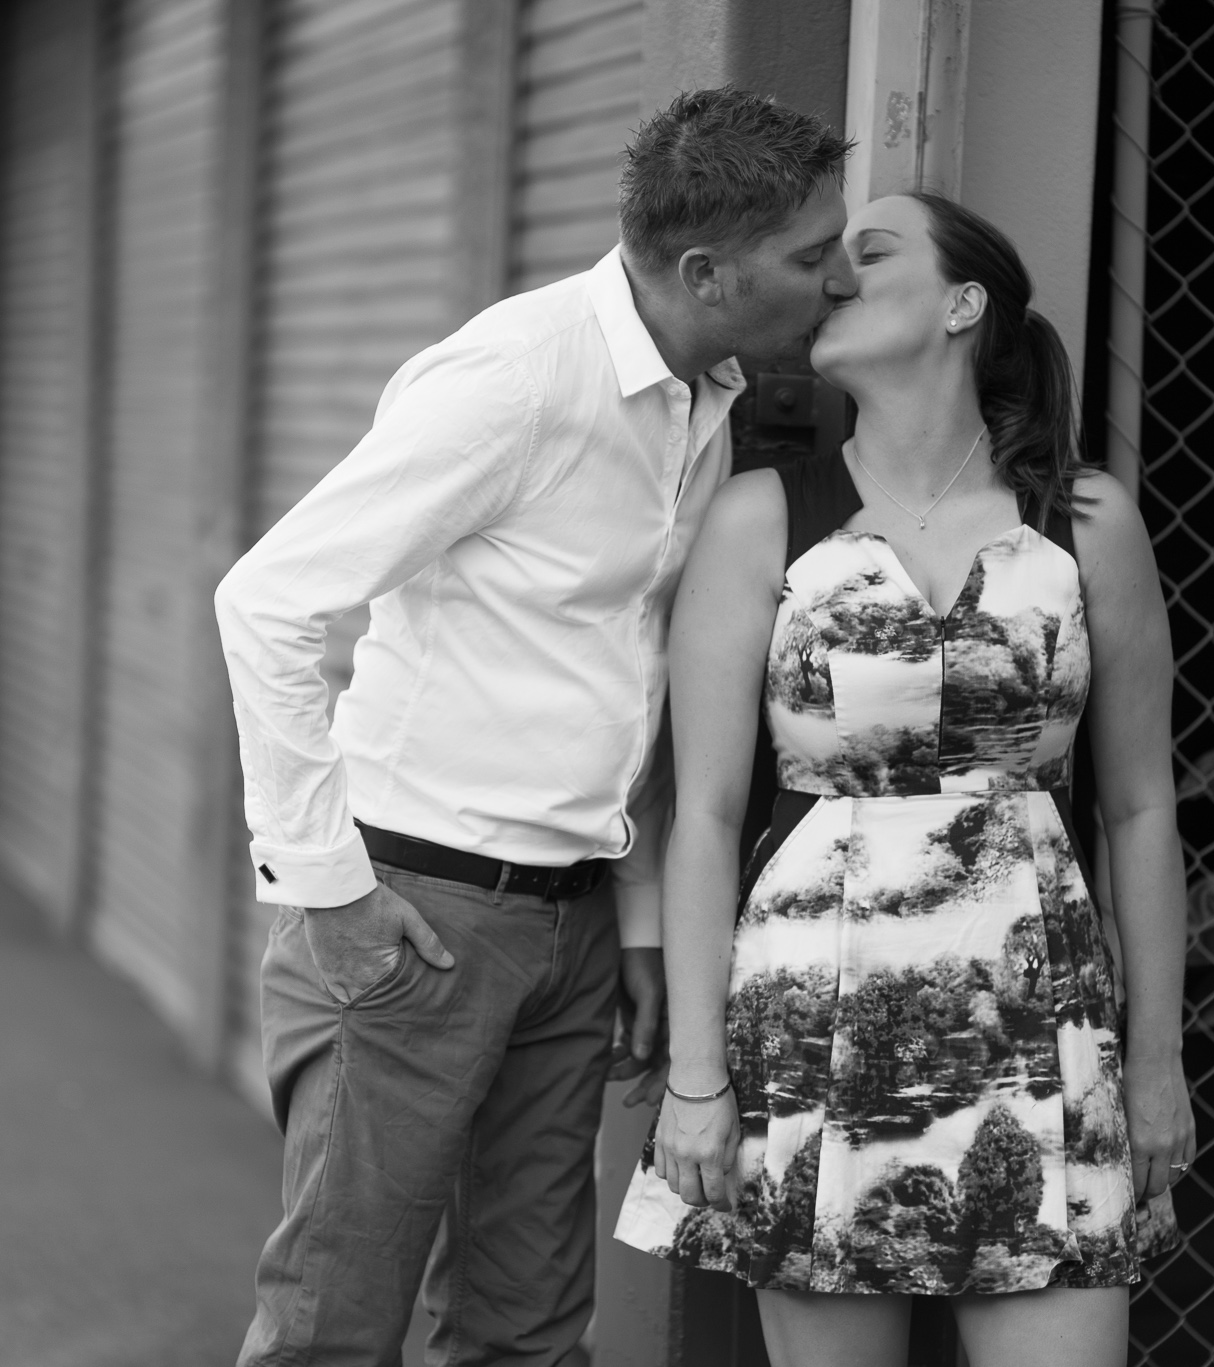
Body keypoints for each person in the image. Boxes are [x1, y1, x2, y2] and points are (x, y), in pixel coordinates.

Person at [215, 89, 859, 1365]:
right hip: (413, 916)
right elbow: (267, 600)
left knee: (526, 1334)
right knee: (331, 1333)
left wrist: (621, 919)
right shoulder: (514, 378)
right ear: (703, 272)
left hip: (566, 929)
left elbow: (618, 674)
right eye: (809, 256)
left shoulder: (707, 390)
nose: (837, 280)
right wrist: (327, 889)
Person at [613, 191, 1193, 1366]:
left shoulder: (1085, 523)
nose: (831, 276)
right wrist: (693, 1079)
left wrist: (1155, 1060)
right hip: (810, 1017)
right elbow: (705, 814)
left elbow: (1138, 806)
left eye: (867, 254)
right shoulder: (759, 517)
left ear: (962, 304)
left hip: (1040, 1032)